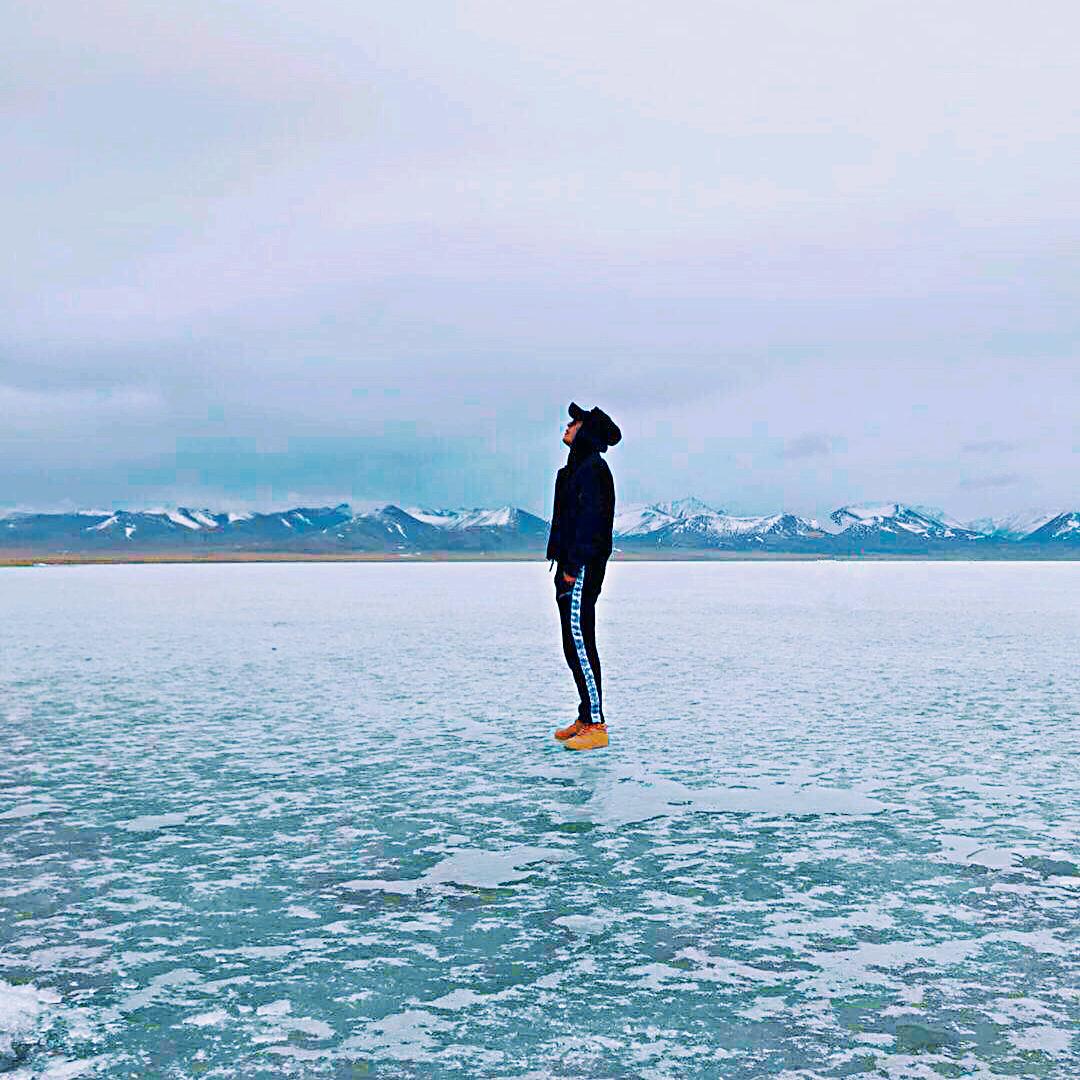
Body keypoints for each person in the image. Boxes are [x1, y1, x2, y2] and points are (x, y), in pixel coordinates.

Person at [546, 401, 621, 751]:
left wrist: (574, 568)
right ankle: (585, 715)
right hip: (571, 567)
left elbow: (592, 526)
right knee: (572, 642)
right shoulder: (577, 468)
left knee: (579, 641)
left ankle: (596, 723)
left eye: (573, 423)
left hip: (580, 568)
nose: (567, 426)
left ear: (585, 431)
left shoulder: (592, 470)